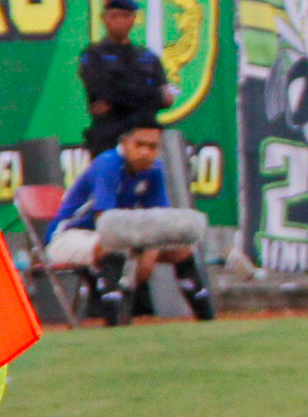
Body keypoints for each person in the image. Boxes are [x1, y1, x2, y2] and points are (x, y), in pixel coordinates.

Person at [46, 124, 215, 325]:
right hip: (68, 236)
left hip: (117, 238)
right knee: (112, 248)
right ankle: (114, 324)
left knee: (181, 251)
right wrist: (143, 252)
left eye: (153, 147)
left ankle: (207, 321)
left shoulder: (154, 170)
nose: (145, 152)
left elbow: (158, 220)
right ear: (125, 144)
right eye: (140, 144)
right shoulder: (107, 164)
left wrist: (150, 251)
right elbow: (105, 223)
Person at [79, 0, 174, 156]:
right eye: (114, 16)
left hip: (146, 137)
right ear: (104, 18)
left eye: (125, 16)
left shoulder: (147, 57)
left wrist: (118, 100)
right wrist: (151, 97)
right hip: (110, 138)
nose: (119, 21)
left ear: (133, 19)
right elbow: (104, 92)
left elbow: (166, 98)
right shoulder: (93, 55)